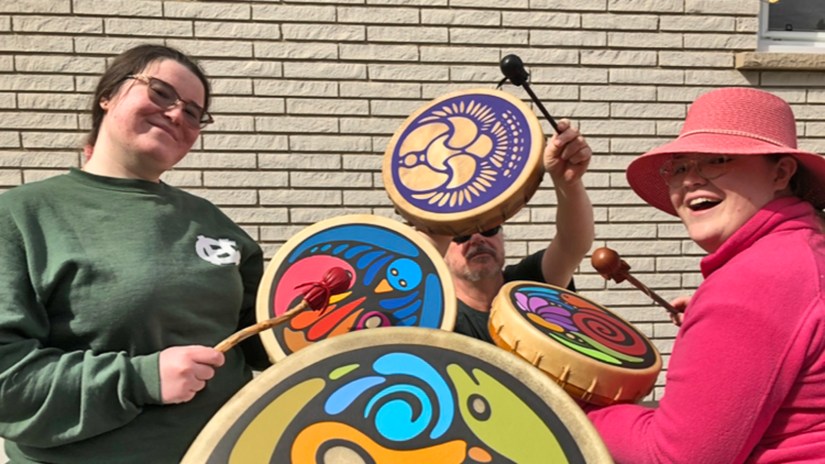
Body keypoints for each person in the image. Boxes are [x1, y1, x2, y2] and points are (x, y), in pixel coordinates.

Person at [0, 44, 269, 463]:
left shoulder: (214, 223)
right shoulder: (22, 217)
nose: (178, 114)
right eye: (160, 93)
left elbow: (269, 339)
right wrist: (140, 379)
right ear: (107, 95)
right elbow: (7, 380)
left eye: (194, 113)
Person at [586, 87, 825, 462]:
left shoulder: (756, 280)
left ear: (781, 172)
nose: (690, 180)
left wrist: (566, 406)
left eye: (716, 160)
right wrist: (719, 324)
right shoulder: (803, 254)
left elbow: (676, 458)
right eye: (679, 167)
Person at [428, 119, 595, 343]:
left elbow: (573, 245)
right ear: (442, 252)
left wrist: (568, 182)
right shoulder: (436, 318)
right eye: (461, 232)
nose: (477, 238)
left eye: (488, 227)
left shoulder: (527, 287)